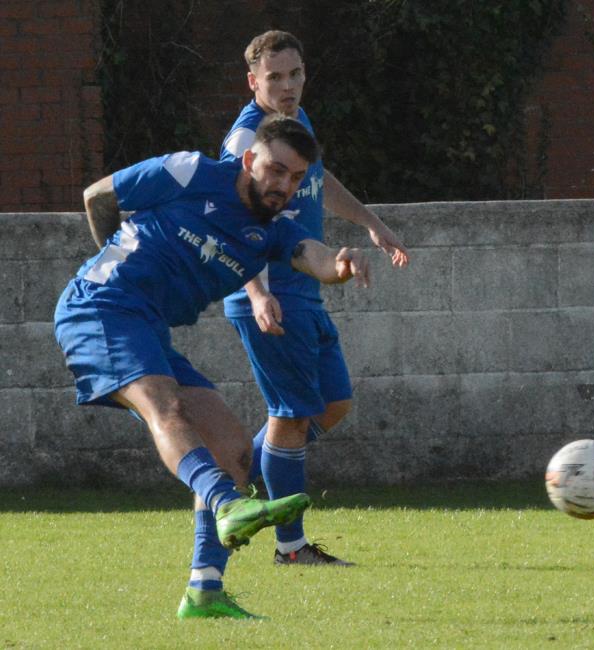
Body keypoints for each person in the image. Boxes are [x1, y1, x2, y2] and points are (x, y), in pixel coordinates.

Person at [54, 114, 370, 620]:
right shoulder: (191, 172)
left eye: (295, 179)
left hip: (147, 326)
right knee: (168, 408)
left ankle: (205, 591)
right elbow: (98, 195)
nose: (283, 186)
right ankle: (226, 503)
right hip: (100, 307)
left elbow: (311, 254)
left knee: (230, 447)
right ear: (249, 159)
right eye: (276, 170)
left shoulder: (269, 234)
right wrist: (113, 255)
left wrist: (339, 265)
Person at [219, 30, 409, 566]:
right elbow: (231, 220)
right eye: (274, 77)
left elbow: (318, 181)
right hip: (271, 292)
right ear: (253, 81)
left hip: (307, 287)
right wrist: (255, 290)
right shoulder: (245, 141)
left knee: (333, 404)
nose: (287, 86)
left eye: (295, 74)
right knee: (292, 415)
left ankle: (227, 488)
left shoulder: (296, 125)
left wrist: (371, 222)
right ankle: (292, 548)